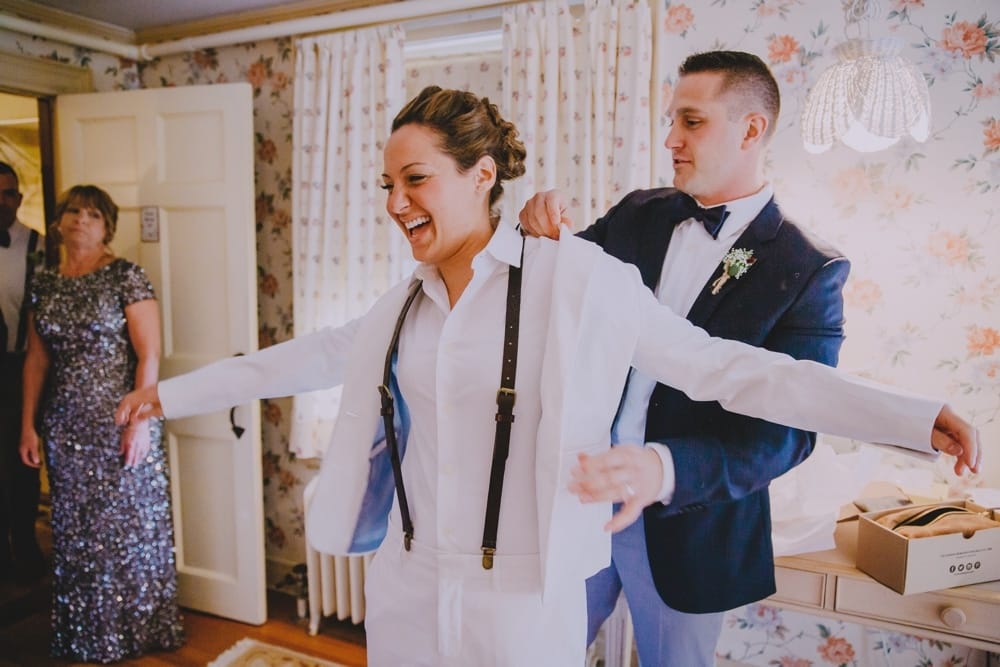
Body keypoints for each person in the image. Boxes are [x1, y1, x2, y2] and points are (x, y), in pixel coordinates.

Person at [115, 86, 978, 667]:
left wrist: (908, 414)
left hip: (523, 598)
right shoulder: (401, 305)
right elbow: (301, 356)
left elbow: (730, 369)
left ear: (482, 175)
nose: (394, 202)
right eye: (385, 183)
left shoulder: (578, 280)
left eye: (414, 179)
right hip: (408, 586)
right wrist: (170, 392)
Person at [519, 50, 981, 666]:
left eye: (691, 121)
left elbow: (783, 430)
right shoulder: (636, 215)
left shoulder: (808, 268)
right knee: (530, 653)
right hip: (574, 506)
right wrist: (537, 233)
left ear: (751, 128)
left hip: (692, 526)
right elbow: (553, 299)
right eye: (670, 121)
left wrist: (665, 467)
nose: (670, 140)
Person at [19, 185, 185, 662]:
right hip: (66, 427)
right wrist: (27, 425)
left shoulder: (125, 276)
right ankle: (87, 635)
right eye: (73, 211)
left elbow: (149, 353)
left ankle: (138, 632)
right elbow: (35, 359)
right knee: (77, 533)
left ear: (107, 226)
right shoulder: (45, 282)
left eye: (93, 214)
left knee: (129, 531)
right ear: (58, 221)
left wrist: (137, 422)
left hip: (120, 421)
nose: (81, 220)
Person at [0, 161, 46, 585]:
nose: (2, 201)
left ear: (19, 197)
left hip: (19, 367)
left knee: (24, 461)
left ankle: (26, 543)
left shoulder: (38, 245)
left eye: (9, 192)